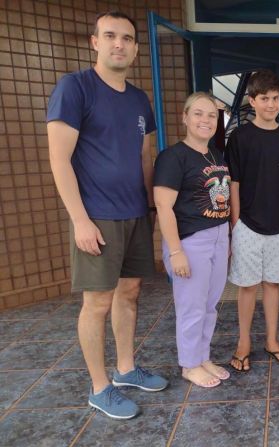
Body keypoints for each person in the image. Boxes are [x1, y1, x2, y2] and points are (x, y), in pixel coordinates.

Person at [47, 11, 167, 420]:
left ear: (135, 48)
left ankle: (126, 369)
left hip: (135, 212)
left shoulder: (139, 100)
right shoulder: (75, 88)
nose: (120, 43)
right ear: (95, 41)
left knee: (129, 293)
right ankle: (100, 387)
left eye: (127, 38)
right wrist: (79, 219)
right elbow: (59, 159)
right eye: (110, 36)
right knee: (96, 302)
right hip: (97, 216)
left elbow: (144, 157)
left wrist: (152, 207)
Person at [154, 92, 231, 388]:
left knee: (210, 305)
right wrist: (176, 252)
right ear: (185, 117)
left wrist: (225, 239)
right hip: (190, 240)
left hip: (218, 236)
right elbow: (163, 206)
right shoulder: (173, 157)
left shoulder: (214, 155)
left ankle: (202, 357)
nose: (205, 120)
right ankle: (189, 364)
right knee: (191, 306)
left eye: (211, 115)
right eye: (198, 113)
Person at [226, 70, 279, 372]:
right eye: (264, 98)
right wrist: (235, 225)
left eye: (276, 98)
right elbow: (234, 185)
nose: (271, 104)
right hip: (248, 225)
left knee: (273, 285)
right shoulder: (240, 138)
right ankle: (243, 342)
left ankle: (272, 340)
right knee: (247, 286)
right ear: (252, 101)